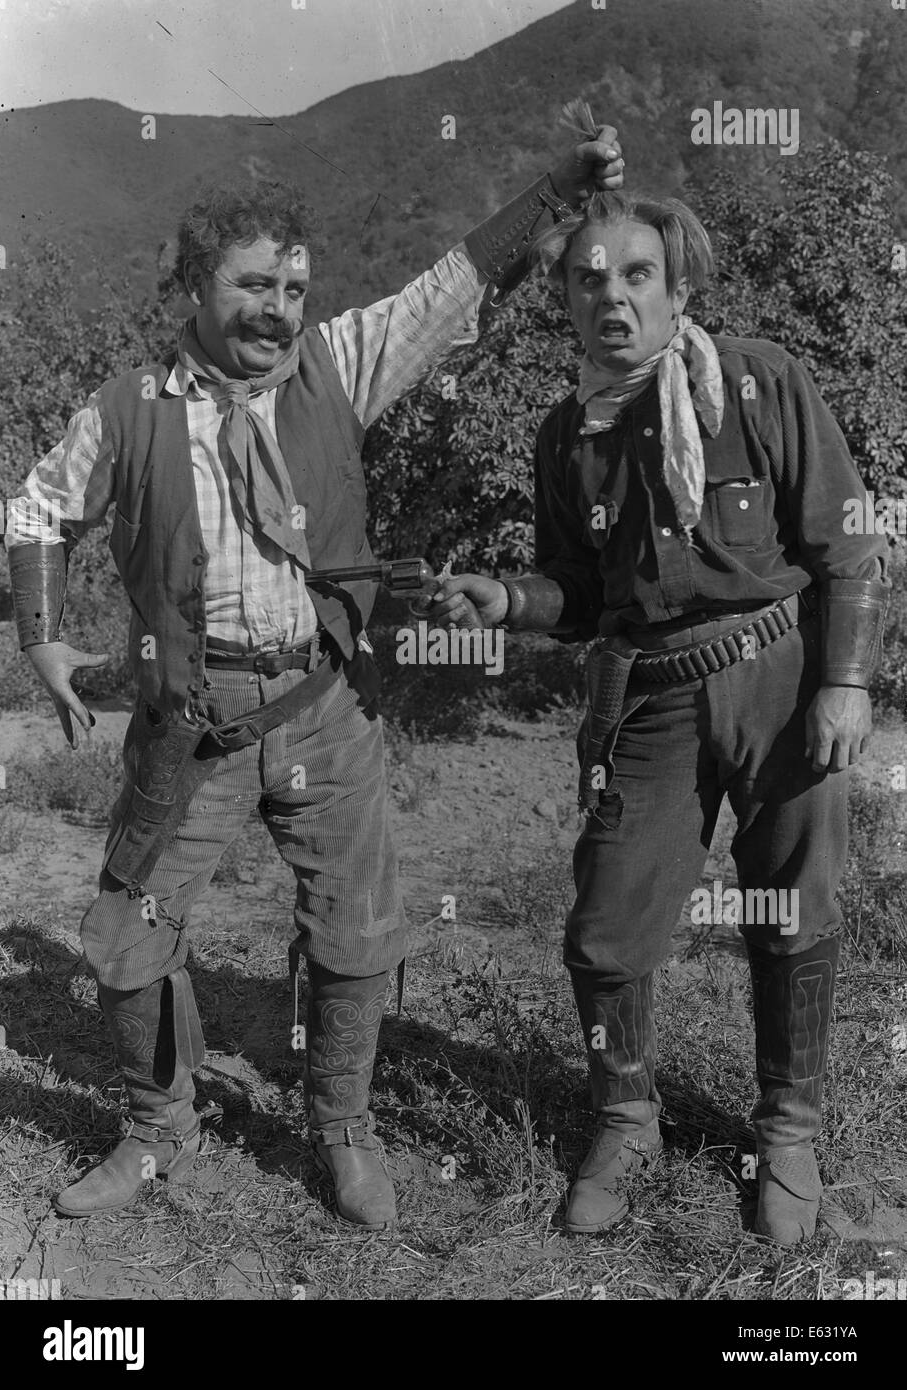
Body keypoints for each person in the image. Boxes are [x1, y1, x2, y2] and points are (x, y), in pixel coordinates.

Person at [6, 133, 625, 1228]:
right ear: (196, 282)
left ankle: (342, 1126)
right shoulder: (126, 406)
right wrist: (44, 640)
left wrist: (559, 191)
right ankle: (158, 1127)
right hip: (188, 723)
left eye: (293, 286)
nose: (277, 309)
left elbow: (454, 282)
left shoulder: (341, 363)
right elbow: (36, 510)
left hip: (325, 709)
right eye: (253, 283)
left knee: (353, 930)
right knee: (126, 936)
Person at [431, 189, 888, 1246]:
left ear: (678, 287)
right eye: (588, 279)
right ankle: (625, 1120)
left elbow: (847, 540)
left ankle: (787, 1132)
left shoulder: (758, 379)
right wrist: (509, 599)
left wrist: (844, 679)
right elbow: (576, 591)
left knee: (791, 910)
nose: (611, 296)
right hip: (648, 694)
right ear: (568, 300)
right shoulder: (567, 434)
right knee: (603, 930)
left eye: (635, 274)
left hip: (779, 674)